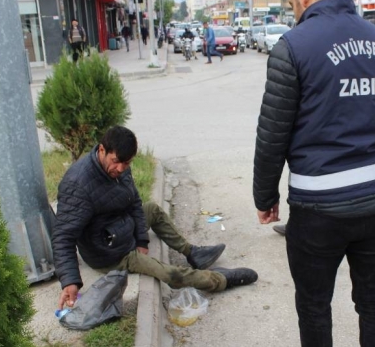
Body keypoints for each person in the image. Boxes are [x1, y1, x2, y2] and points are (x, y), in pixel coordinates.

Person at [252, 0, 375, 347]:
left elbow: (272, 136)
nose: (295, 7)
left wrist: (265, 198)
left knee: (314, 306)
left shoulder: (294, 46)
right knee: (373, 300)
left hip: (318, 209)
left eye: (294, 0)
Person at [53, 126, 258, 311]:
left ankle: (192, 252)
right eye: (116, 162)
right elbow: (63, 236)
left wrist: (142, 239)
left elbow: (134, 202)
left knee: (151, 209)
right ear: (101, 150)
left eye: (127, 163)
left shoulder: (121, 167)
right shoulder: (77, 184)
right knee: (168, 274)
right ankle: (219, 280)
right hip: (109, 252)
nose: (121, 169)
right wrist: (70, 281)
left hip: (123, 227)